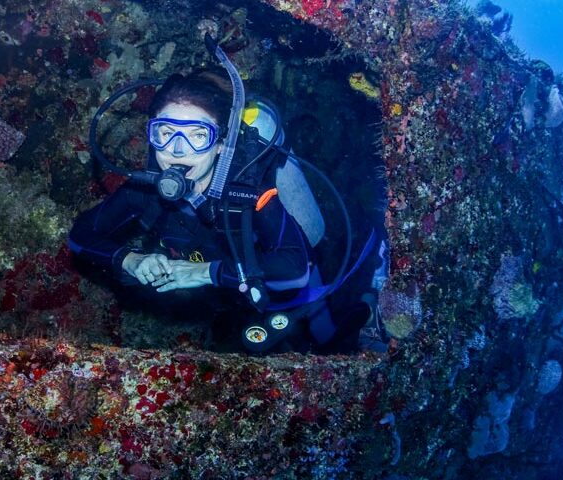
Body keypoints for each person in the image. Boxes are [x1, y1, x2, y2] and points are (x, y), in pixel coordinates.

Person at [68, 69, 370, 353]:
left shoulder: (246, 190)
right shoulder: (144, 190)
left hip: (268, 283)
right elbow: (80, 235)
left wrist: (206, 272)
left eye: (198, 136)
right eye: (165, 132)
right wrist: (129, 260)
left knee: (324, 336)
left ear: (220, 144)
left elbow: (294, 267)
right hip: (222, 294)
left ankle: (369, 302)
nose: (177, 150)